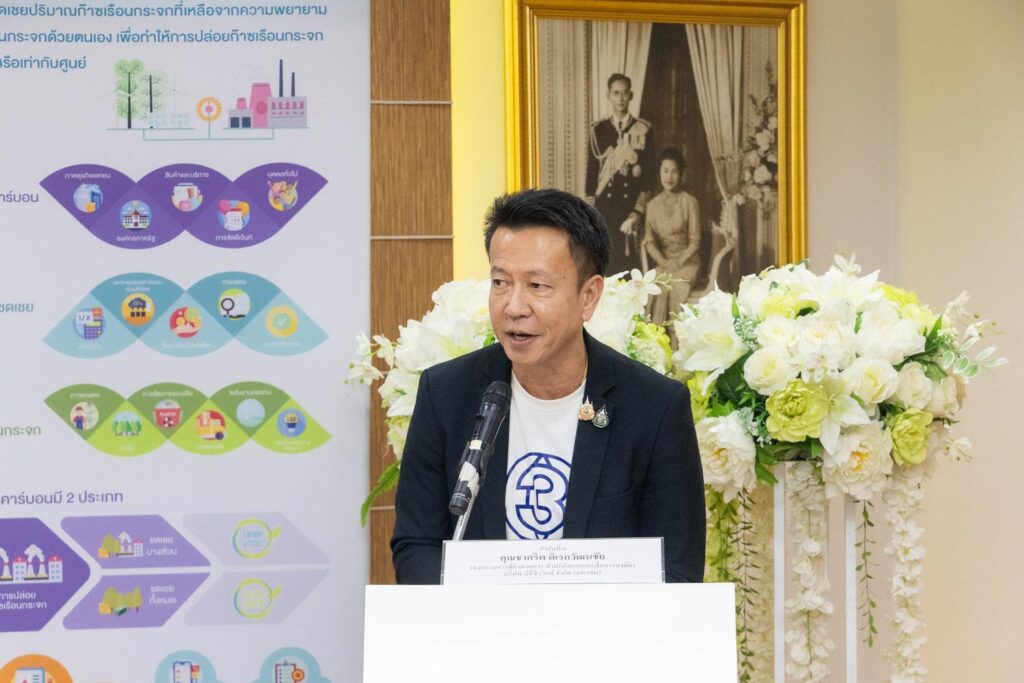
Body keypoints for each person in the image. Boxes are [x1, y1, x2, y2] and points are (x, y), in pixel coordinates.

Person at [391, 188, 705, 584]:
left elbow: (677, 568)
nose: (513, 306)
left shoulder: (653, 407)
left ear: (588, 296)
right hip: (481, 623)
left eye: (537, 286)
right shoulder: (446, 394)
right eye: (500, 282)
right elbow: (416, 545)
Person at [585, 73, 655, 276]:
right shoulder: (598, 130)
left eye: (625, 93)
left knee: (631, 270)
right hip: (604, 209)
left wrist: (637, 212)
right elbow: (592, 174)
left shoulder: (644, 130)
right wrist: (591, 212)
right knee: (605, 267)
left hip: (630, 209)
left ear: (631, 95)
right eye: (616, 93)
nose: (621, 98)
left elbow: (649, 177)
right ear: (608, 95)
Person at [643, 147, 701, 325]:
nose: (669, 177)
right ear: (660, 173)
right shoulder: (652, 205)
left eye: (674, 171)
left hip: (687, 263)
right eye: (665, 171)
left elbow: (695, 241)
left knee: (675, 286)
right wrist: (663, 261)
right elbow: (649, 241)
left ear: (681, 174)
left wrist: (679, 262)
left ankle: (676, 338)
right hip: (664, 263)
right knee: (653, 287)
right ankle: (655, 336)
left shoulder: (689, 202)